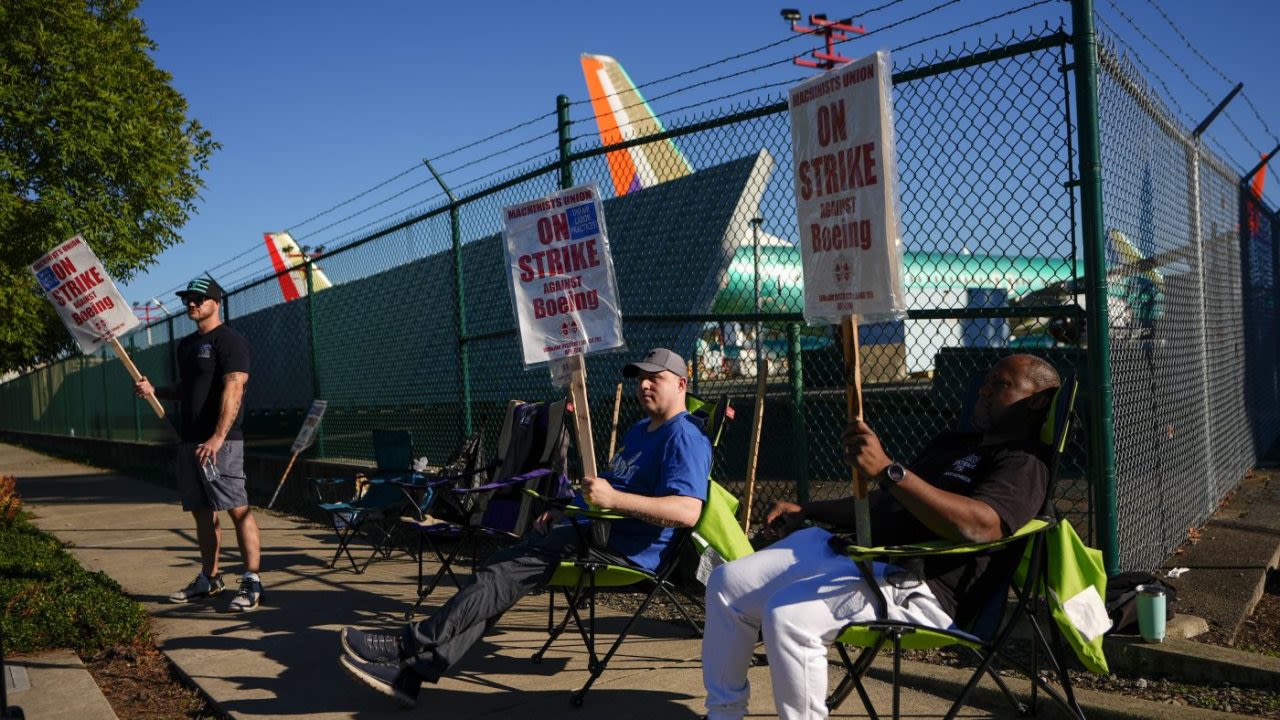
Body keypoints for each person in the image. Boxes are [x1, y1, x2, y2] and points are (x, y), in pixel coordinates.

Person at [339, 347, 713, 708]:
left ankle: (406, 645)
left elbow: (686, 511)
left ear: (681, 384)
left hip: (621, 548)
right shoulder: (639, 431)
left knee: (499, 573)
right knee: (501, 579)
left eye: (656, 379)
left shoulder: (684, 438)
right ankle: (410, 676)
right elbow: (608, 490)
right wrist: (567, 511)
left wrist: (613, 501)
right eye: (640, 379)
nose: (644, 386)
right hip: (587, 530)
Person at [702, 354, 1060, 720]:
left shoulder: (1025, 462)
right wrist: (809, 510)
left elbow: (981, 526)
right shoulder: (953, 443)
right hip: (860, 554)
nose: (984, 391)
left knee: (788, 617)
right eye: (985, 381)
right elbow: (889, 499)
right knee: (728, 583)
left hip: (919, 584)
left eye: (1000, 384)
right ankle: (724, 713)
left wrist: (890, 471)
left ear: (1037, 401)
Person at [133, 277, 264, 611]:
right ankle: (209, 577)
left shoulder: (230, 341)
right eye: (187, 299)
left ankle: (251, 581)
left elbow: (234, 389)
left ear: (214, 302)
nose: (191, 304)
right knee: (202, 514)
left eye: (198, 298)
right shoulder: (187, 345)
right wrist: (155, 391)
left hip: (222, 442)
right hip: (189, 441)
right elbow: (189, 389)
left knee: (238, 509)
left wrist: (218, 437)